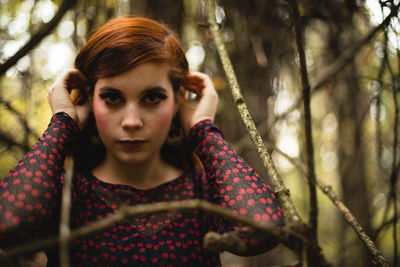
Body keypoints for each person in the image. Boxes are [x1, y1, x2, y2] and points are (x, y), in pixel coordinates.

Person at [0, 16, 284, 266]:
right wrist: (63, 122)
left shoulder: (204, 192)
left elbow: (265, 228)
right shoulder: (66, 194)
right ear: (89, 101)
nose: (132, 121)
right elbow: (9, 225)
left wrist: (203, 129)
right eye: (112, 98)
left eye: (152, 98)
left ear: (176, 103)